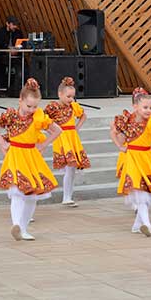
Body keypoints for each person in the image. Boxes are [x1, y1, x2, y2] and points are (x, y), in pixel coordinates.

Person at [0, 78, 62, 241]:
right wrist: (2, 142)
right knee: (16, 191)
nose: (32, 109)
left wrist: (43, 145)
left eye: (35, 106)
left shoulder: (38, 117)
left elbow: (57, 130)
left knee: (31, 195)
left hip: (31, 156)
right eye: (29, 106)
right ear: (20, 100)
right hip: (15, 155)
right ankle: (16, 224)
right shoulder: (11, 115)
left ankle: (23, 228)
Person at [111, 88, 151, 237]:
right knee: (139, 193)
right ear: (135, 107)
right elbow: (114, 132)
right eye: (145, 107)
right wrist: (120, 146)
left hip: (147, 158)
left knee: (145, 193)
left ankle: (137, 226)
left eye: (150, 108)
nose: (148, 110)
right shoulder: (127, 120)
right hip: (132, 159)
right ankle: (147, 224)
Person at [44, 77, 90, 207]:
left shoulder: (74, 106)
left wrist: (77, 127)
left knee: (71, 168)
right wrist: (52, 133)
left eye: (72, 97)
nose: (71, 99)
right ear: (60, 94)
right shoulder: (52, 107)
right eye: (68, 96)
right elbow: (44, 122)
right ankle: (67, 197)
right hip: (61, 138)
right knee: (69, 168)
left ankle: (68, 196)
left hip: (72, 138)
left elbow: (83, 116)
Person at [0, 15, 23, 88]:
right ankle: (0, 88)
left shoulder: (18, 33)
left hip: (15, 56)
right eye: (13, 24)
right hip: (2, 56)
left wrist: (17, 49)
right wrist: (8, 48)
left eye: (16, 25)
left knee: (22, 66)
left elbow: (22, 43)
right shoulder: (0, 32)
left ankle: (16, 88)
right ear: (7, 24)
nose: (15, 26)